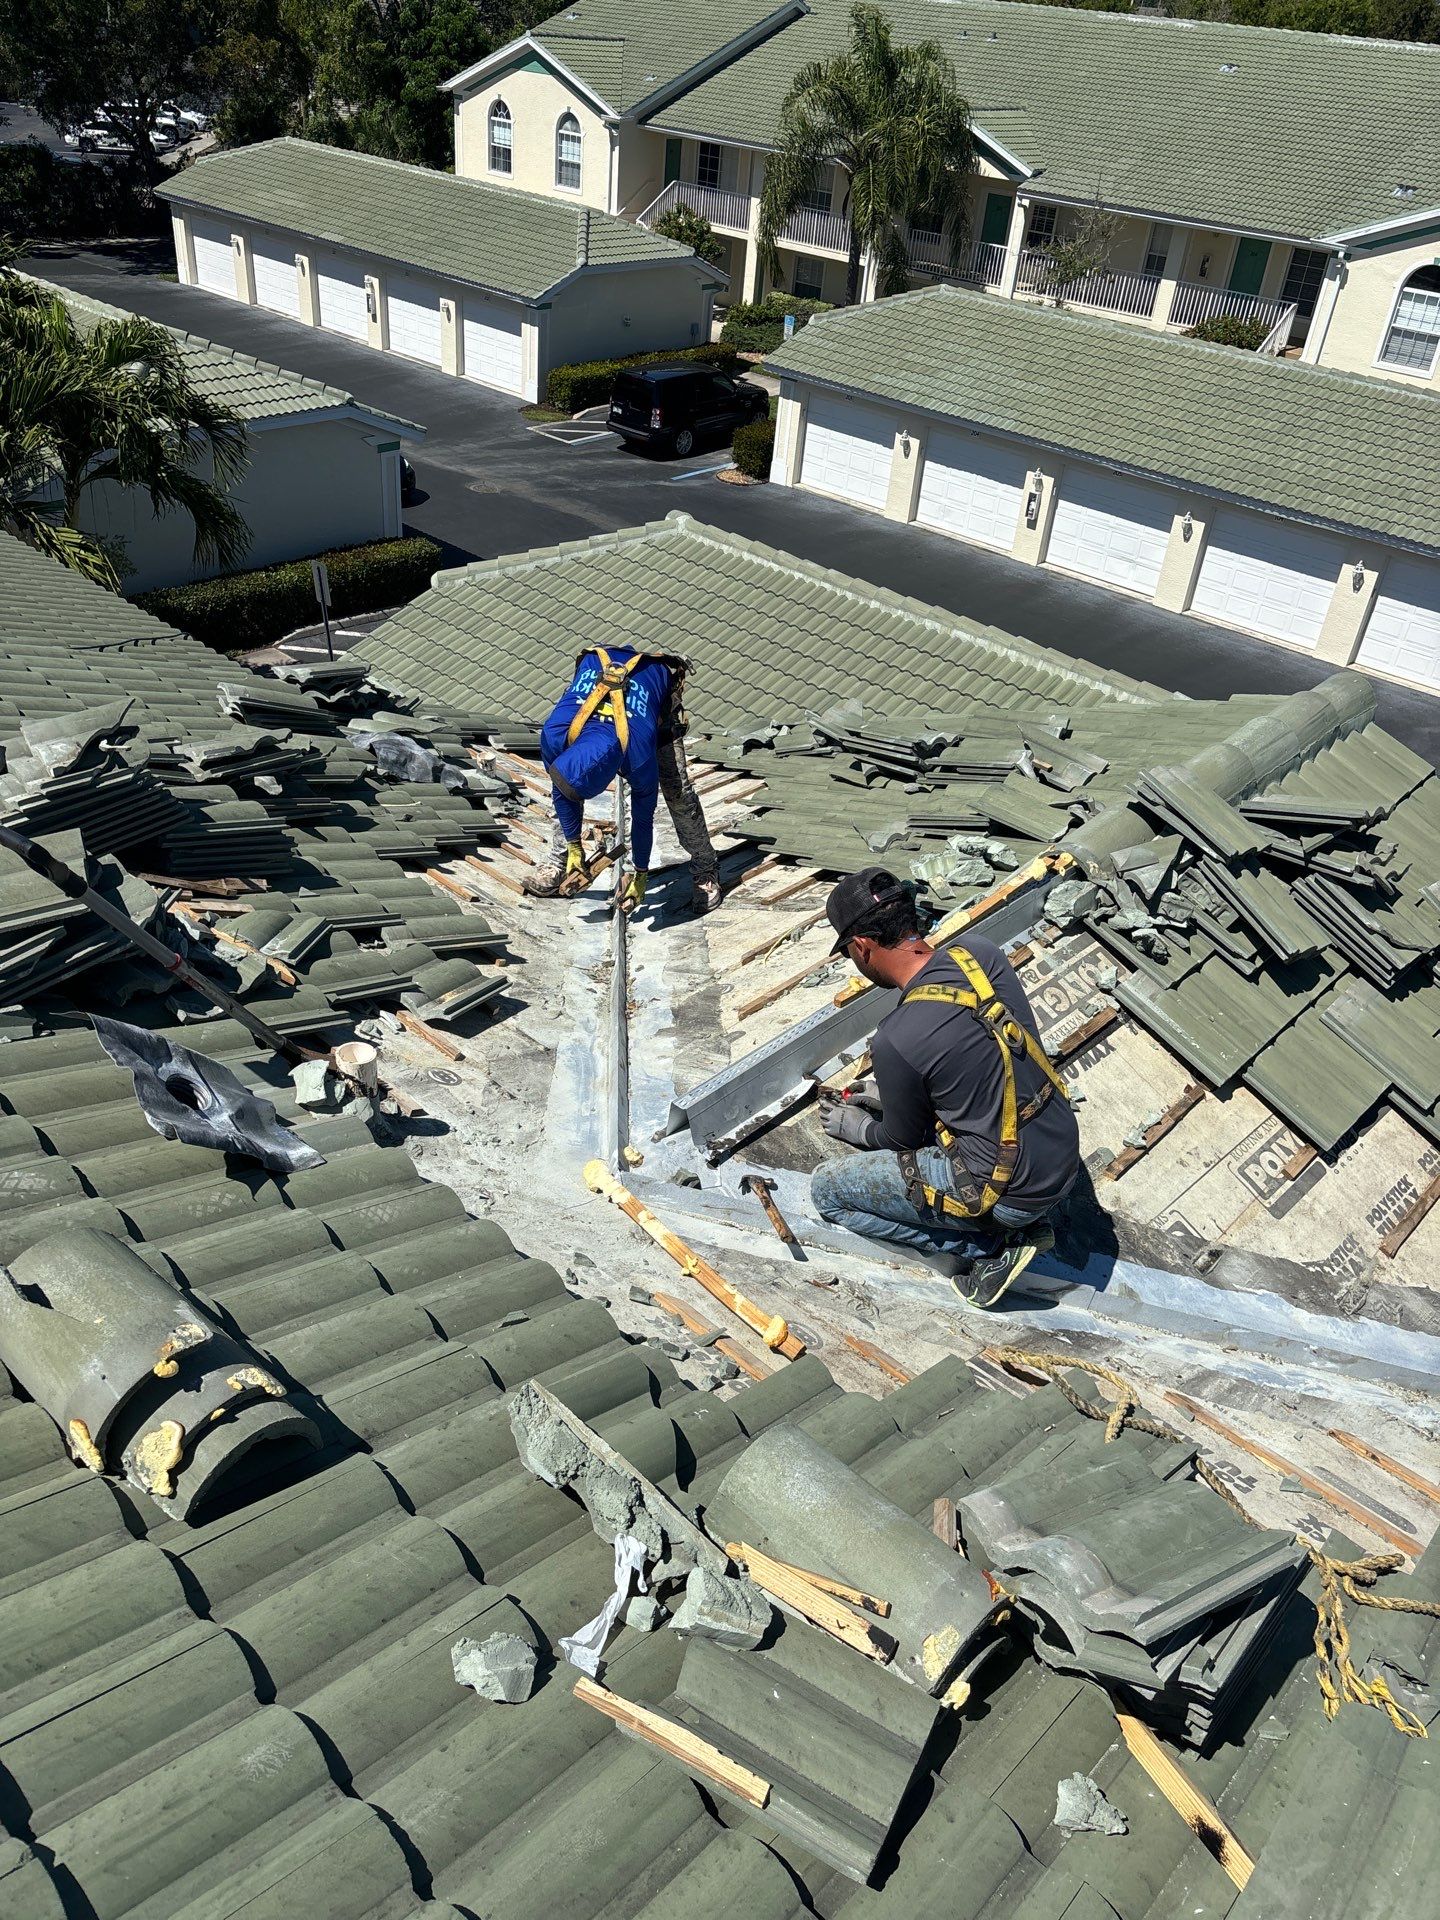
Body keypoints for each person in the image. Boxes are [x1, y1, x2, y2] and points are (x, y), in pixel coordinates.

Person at [812, 867, 1079, 1306]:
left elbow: (903, 1138)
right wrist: (897, 1092)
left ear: (862, 947)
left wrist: (860, 1128)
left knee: (828, 1192)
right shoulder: (979, 954)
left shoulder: (896, 1037)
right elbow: (981, 1057)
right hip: (1060, 1151)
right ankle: (1013, 1224)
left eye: (849, 955)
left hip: (1008, 1190)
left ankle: (991, 1248)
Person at [530, 643, 720, 914]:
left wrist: (640, 872)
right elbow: (562, 788)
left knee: (678, 792)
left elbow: (644, 817)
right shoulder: (555, 733)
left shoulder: (639, 757)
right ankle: (562, 861)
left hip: (656, 701)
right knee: (566, 785)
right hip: (598, 677)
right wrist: (574, 845)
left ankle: (705, 867)